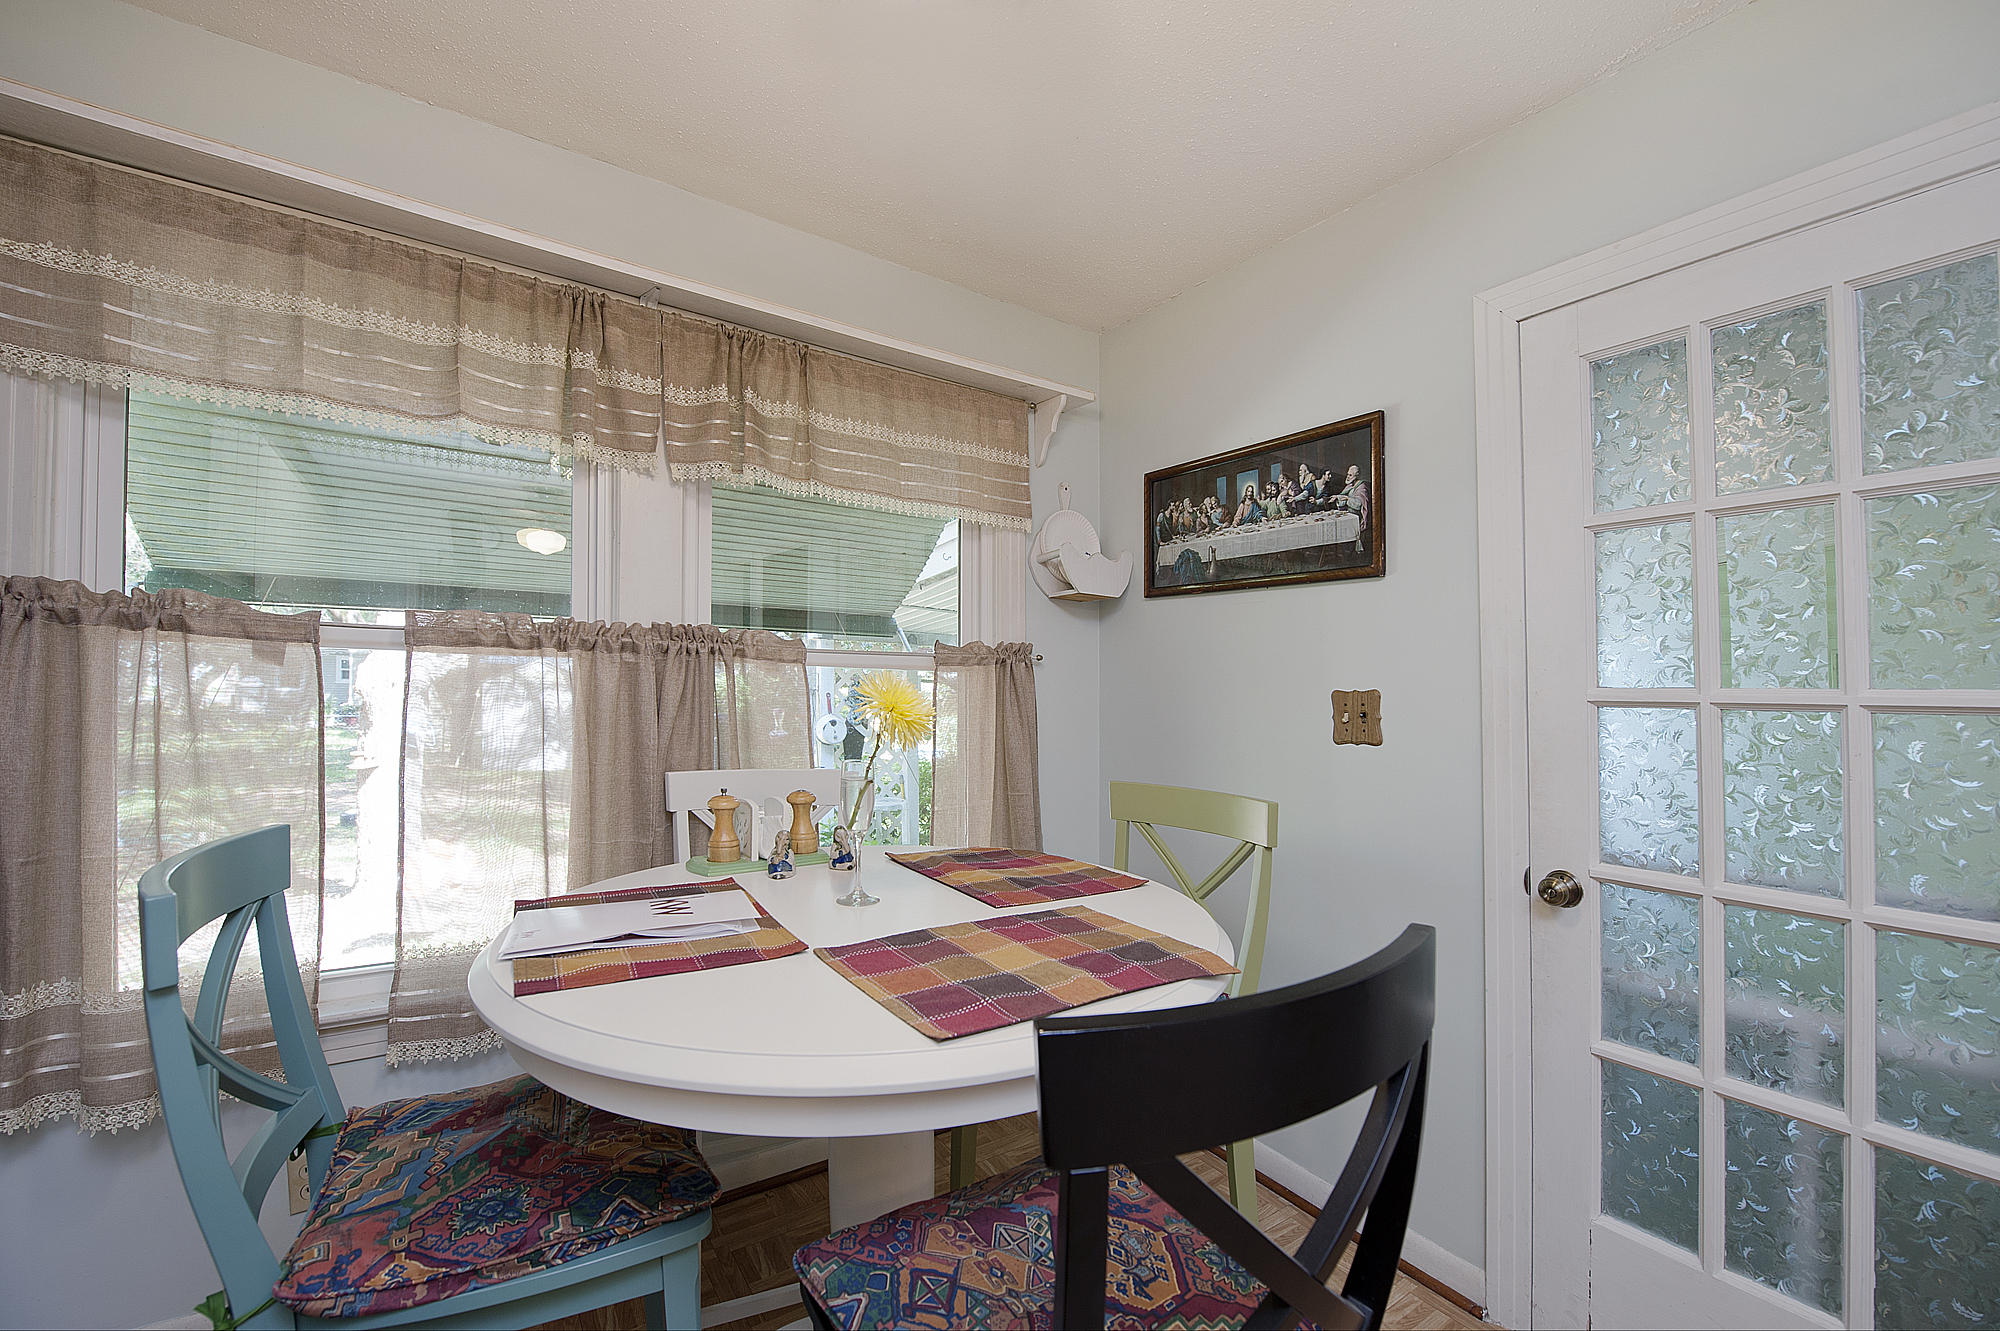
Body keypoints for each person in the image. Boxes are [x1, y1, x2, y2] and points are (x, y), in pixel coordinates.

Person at [1338, 463, 1372, 549]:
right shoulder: (1350, 486)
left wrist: (1346, 499)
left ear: (1356, 476)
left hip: (1357, 517)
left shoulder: (1361, 488)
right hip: (1349, 515)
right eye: (1347, 474)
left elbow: (1358, 505)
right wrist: (1339, 498)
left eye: (1350, 475)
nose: (1348, 477)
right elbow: (1342, 501)